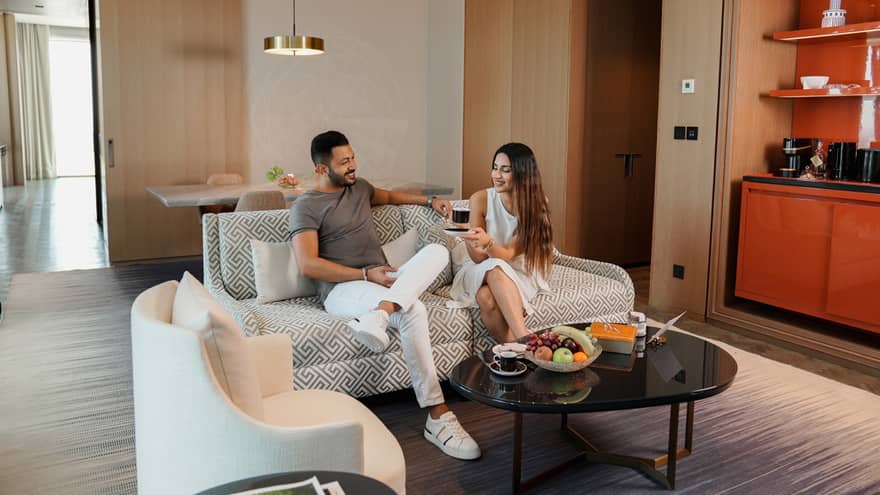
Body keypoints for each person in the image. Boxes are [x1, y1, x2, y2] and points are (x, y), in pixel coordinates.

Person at [290, 130, 481, 460]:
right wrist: (366, 274)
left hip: (383, 283)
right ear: (321, 169)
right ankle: (438, 416)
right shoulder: (306, 206)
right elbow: (308, 265)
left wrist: (430, 201)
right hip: (343, 290)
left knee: (437, 250)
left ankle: (380, 313)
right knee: (413, 311)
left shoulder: (360, 188)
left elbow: (392, 197)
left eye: (353, 157)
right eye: (344, 161)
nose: (353, 165)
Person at [451, 142, 554, 343]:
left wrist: (488, 243)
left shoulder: (536, 204)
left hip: (517, 269)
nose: (496, 175)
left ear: (523, 174)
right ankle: (526, 341)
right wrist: (468, 236)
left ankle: (515, 352)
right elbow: (479, 259)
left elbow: (508, 253)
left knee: (485, 297)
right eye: (495, 167)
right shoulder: (480, 199)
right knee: (494, 267)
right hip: (477, 268)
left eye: (505, 170)